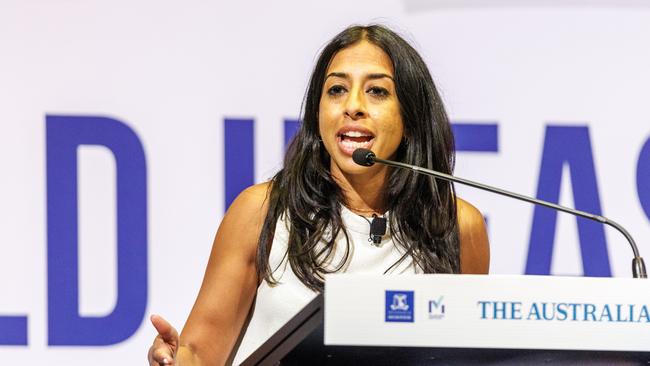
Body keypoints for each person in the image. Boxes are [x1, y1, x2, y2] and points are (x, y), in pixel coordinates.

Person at [148, 24, 489, 366]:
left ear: (411, 115)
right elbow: (199, 354)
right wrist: (174, 358)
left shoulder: (456, 226)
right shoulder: (264, 212)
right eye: (337, 89)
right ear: (318, 111)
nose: (353, 105)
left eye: (377, 92)